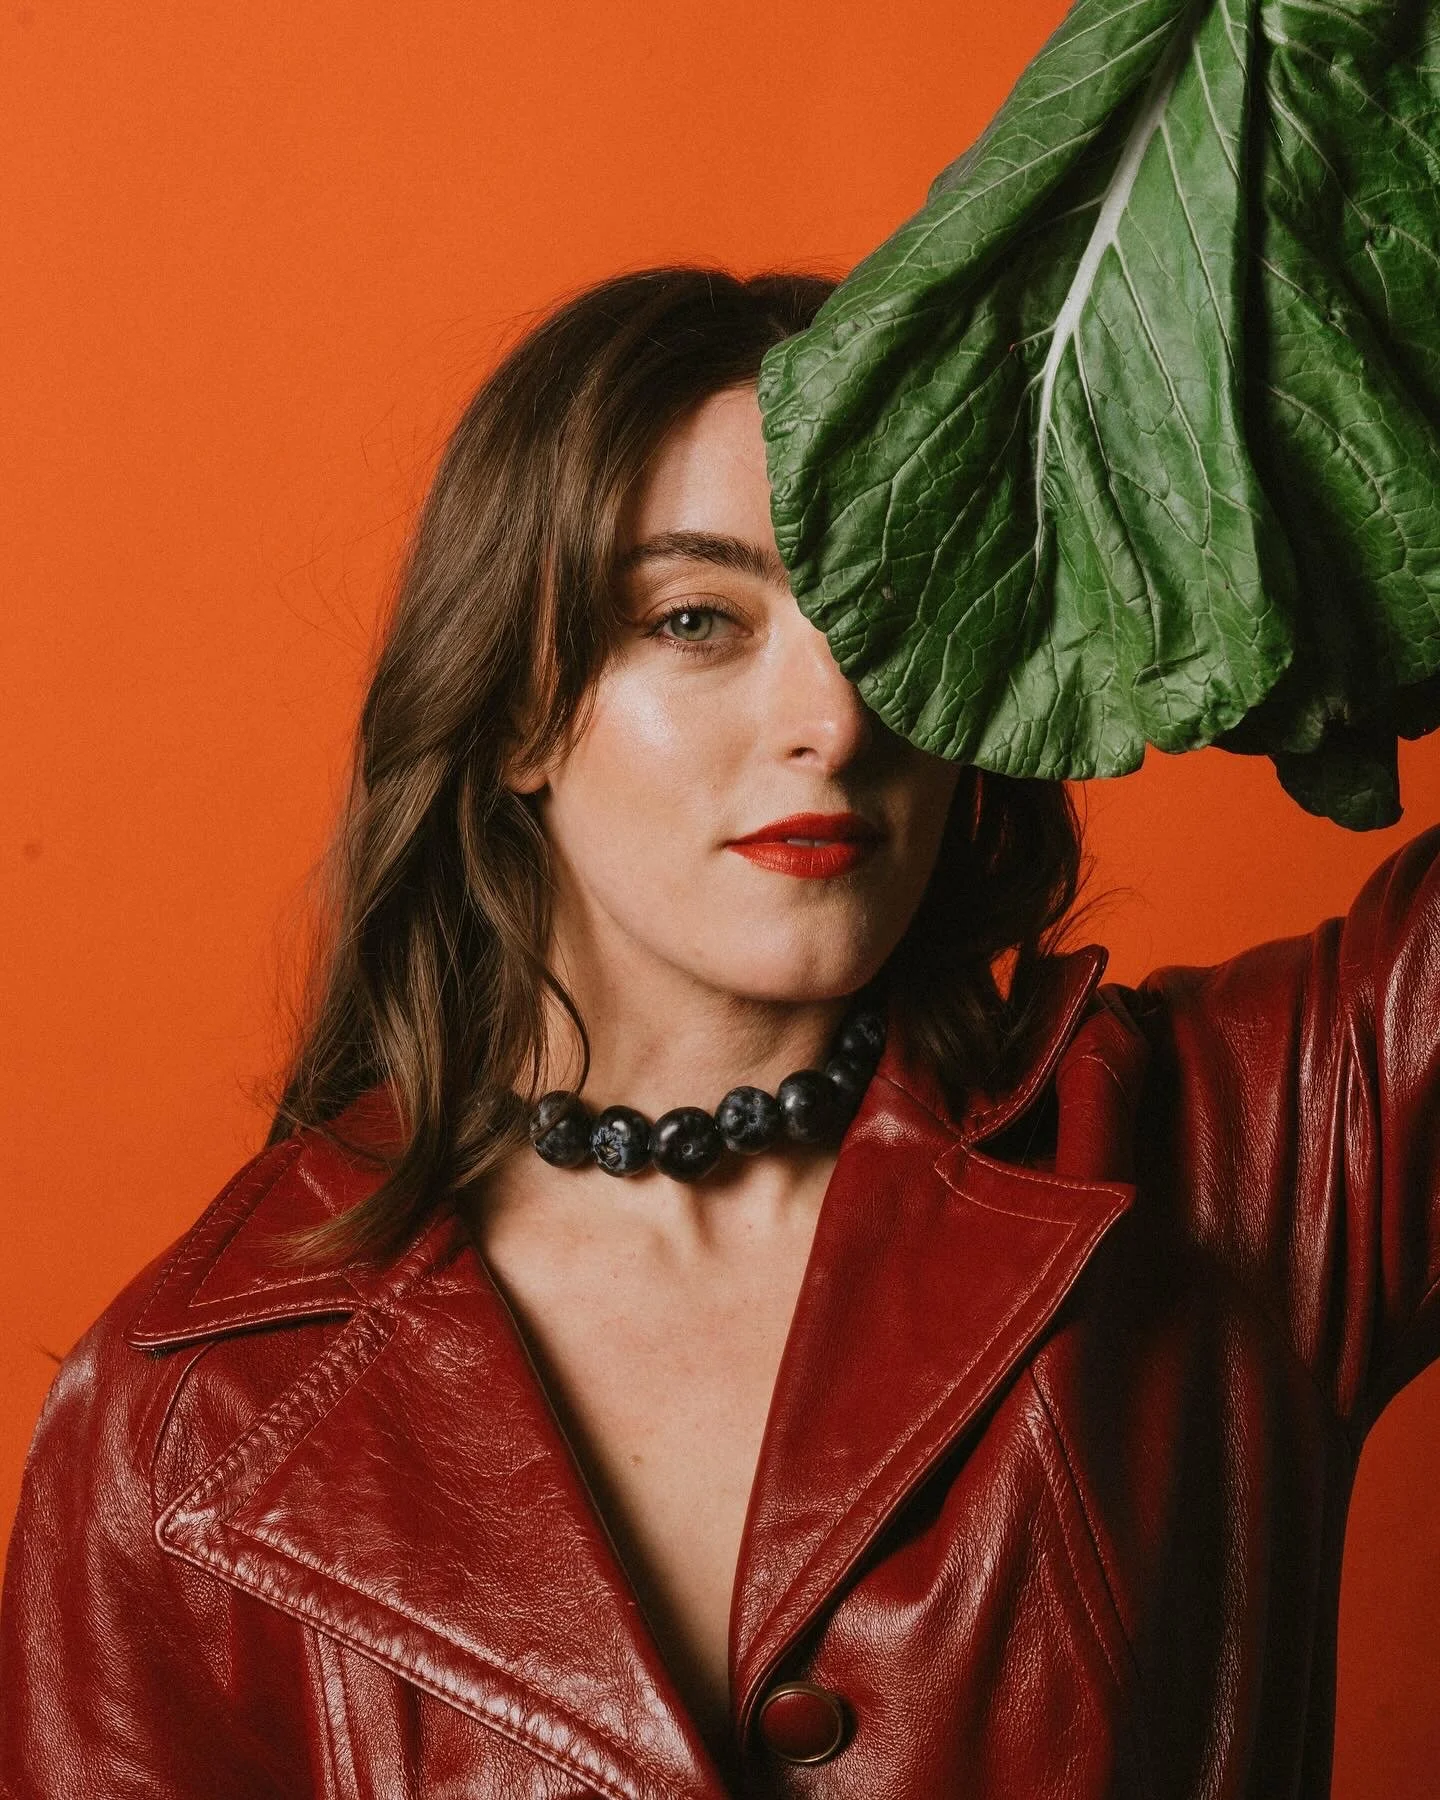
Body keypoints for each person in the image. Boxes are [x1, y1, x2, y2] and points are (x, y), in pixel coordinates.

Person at [1, 266, 1437, 1800]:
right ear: (511, 704)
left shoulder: (1242, 1150)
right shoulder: (185, 1426)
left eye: (894, 624)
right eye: (698, 618)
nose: (834, 720)